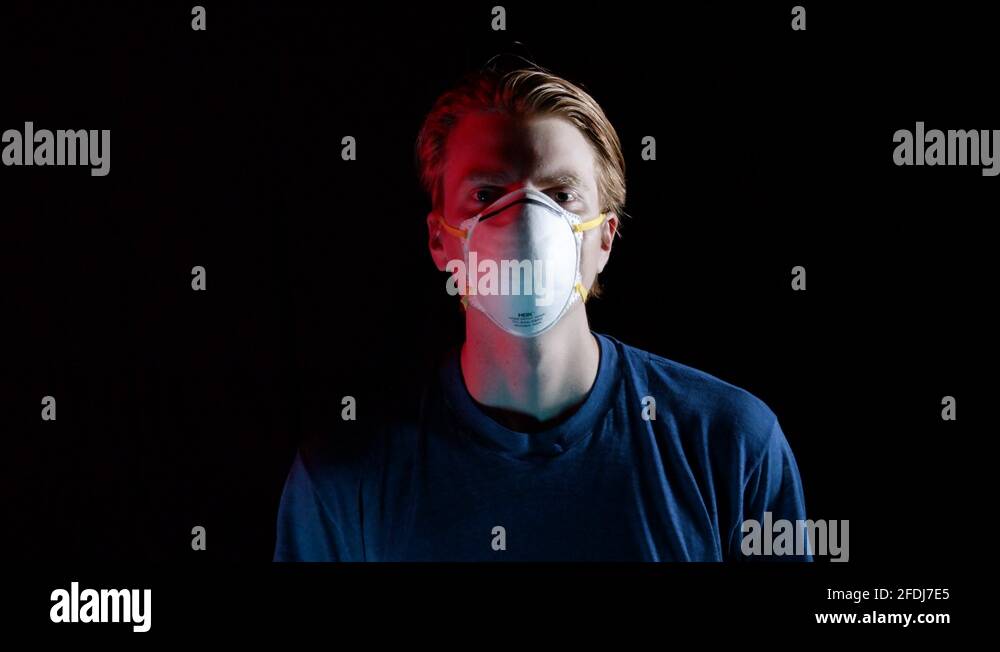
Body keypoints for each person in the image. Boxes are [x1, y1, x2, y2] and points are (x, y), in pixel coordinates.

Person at [273, 63, 809, 561]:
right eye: (487, 194)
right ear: (440, 241)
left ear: (605, 238)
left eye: (561, 194)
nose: (528, 222)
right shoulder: (343, 478)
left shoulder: (729, 445)